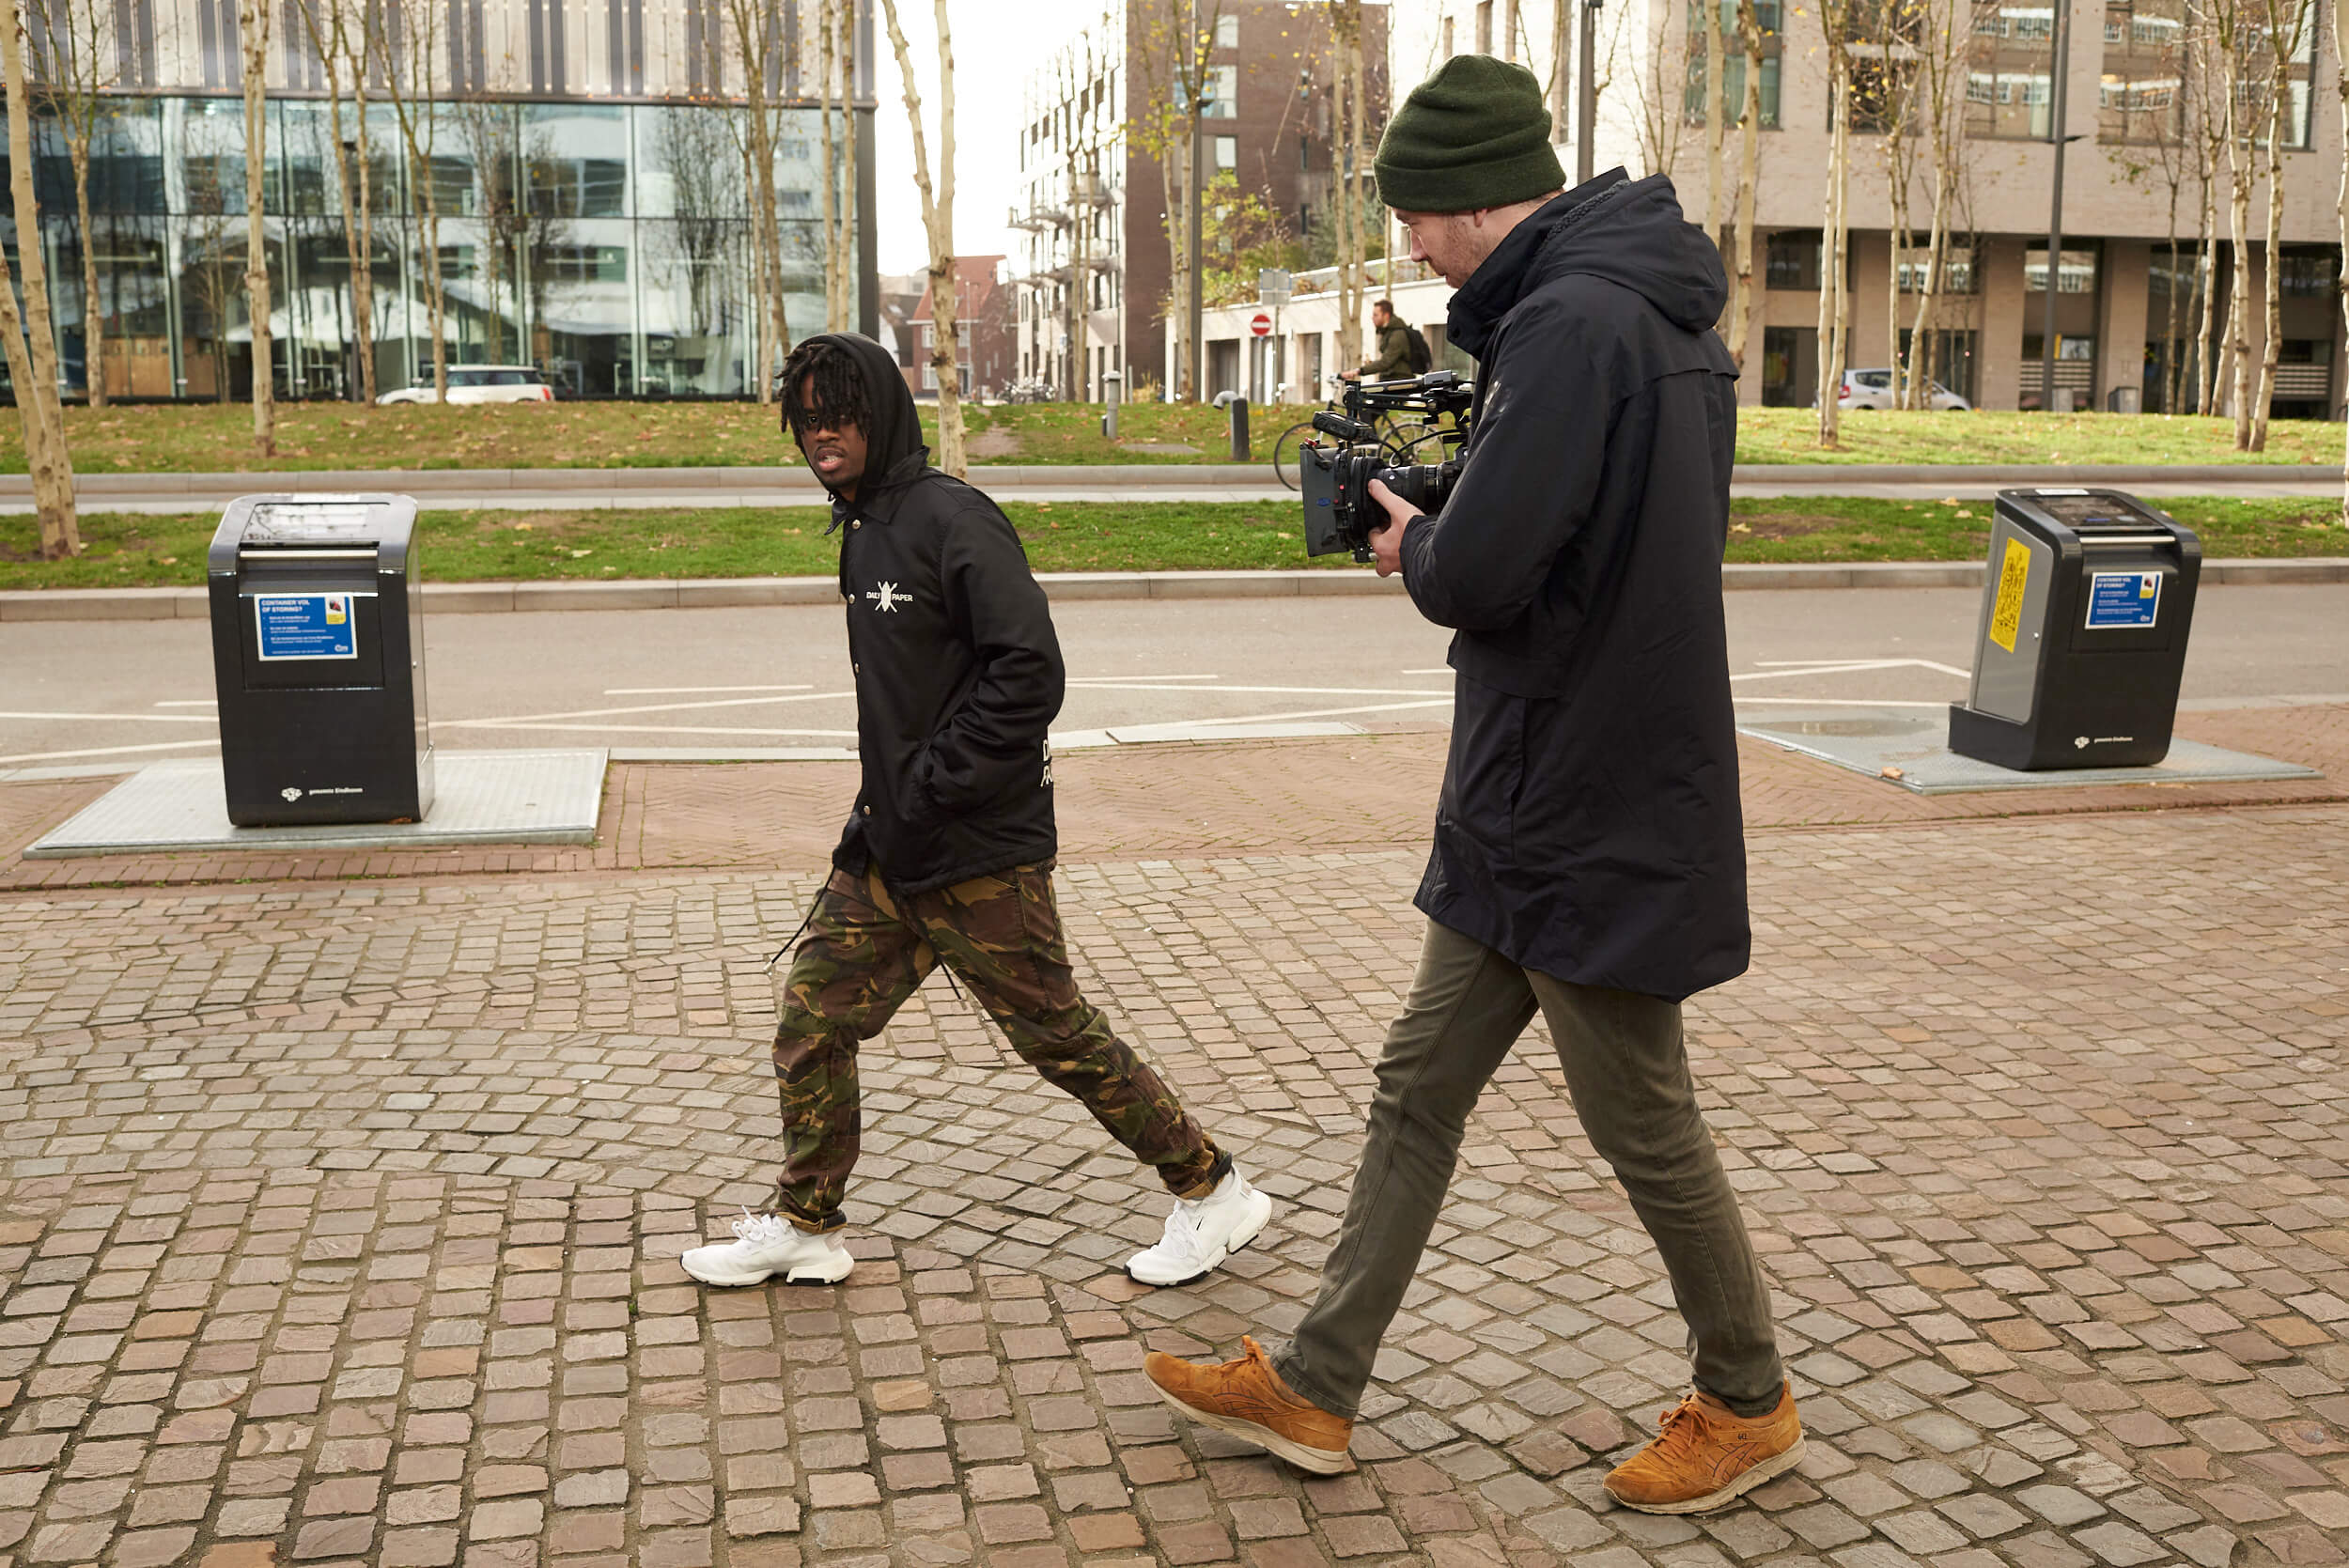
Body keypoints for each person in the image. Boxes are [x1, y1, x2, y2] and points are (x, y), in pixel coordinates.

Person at [1143, 55, 1802, 1516]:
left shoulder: (1569, 322)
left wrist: (1414, 543)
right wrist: (1464, 506)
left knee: (1645, 1122)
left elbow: (1485, 572)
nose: (1414, 247)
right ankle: (1316, 1384)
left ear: (1475, 201)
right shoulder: (1642, 309)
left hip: (1585, 797)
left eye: (1416, 219)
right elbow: (1584, 527)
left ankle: (1748, 1399)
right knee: (1417, 1086)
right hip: (1545, 788)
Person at [682, 333, 1273, 1293]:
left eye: (840, 416)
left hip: (977, 849)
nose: (822, 436)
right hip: (892, 847)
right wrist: (885, 808)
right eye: (807, 419)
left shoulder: (951, 519)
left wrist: (930, 784)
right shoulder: (863, 525)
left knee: (1058, 1037)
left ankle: (1213, 1188)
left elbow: (1029, 672)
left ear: (880, 416)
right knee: (812, 1015)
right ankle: (806, 1223)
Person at [1341, 300, 1412, 382]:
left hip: (1399, 382)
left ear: (1386, 316)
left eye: (1375, 315)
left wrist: (1358, 371)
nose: (1372, 317)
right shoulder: (1389, 332)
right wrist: (1372, 365)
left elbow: (1385, 362)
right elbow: (1390, 361)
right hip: (1392, 379)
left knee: (1363, 390)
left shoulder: (1397, 334)